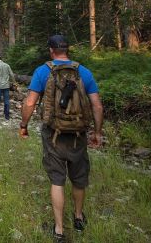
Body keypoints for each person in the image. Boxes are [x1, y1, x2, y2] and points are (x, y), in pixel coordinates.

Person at [19, 35, 104, 242]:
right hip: (78, 134)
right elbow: (97, 106)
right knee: (78, 177)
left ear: (51, 51)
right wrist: (97, 132)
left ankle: (59, 230)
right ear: (68, 50)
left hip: (53, 133)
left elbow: (30, 103)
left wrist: (24, 126)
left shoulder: (42, 71)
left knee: (57, 179)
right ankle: (78, 217)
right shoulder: (83, 72)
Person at [0, 55, 15, 119]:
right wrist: (14, 82)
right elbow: (12, 75)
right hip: (6, 86)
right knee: (6, 101)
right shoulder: (7, 65)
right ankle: (6, 115)